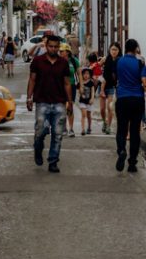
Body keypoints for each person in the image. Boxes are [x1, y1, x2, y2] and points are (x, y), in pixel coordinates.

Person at [27, 32, 73, 173]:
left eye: (56, 47)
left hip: (59, 102)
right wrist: (29, 97)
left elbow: (67, 83)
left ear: (59, 47)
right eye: (51, 46)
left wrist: (70, 102)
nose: (53, 49)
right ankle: (38, 148)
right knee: (40, 131)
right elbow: (32, 79)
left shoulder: (63, 63)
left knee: (58, 134)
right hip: (42, 102)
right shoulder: (38, 61)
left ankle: (53, 161)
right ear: (46, 46)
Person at [114, 38, 146, 172]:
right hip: (137, 100)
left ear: (125, 48)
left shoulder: (118, 61)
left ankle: (121, 150)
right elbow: (144, 83)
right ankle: (132, 163)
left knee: (121, 129)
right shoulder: (140, 63)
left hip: (122, 99)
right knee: (134, 132)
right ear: (136, 49)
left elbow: (115, 77)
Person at [100, 42, 121, 134]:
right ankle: (104, 122)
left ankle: (108, 126)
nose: (114, 51)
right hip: (103, 86)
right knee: (102, 109)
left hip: (112, 86)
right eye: (112, 49)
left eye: (116, 49)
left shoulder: (121, 60)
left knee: (110, 107)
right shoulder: (105, 59)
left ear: (119, 51)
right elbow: (96, 69)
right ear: (109, 50)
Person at [61, 45, 80, 137]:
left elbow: (79, 73)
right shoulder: (57, 61)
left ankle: (71, 129)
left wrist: (82, 85)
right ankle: (63, 128)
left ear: (67, 52)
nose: (60, 52)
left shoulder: (74, 61)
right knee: (62, 107)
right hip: (60, 86)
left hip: (71, 86)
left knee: (70, 106)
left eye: (62, 51)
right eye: (60, 51)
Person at [78, 67, 95, 134]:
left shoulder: (91, 82)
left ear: (90, 75)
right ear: (82, 75)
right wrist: (81, 87)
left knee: (89, 115)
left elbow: (93, 91)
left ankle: (89, 127)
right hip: (82, 101)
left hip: (89, 102)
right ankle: (83, 129)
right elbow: (79, 92)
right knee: (83, 114)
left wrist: (92, 98)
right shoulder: (80, 83)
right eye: (84, 74)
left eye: (87, 74)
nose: (86, 75)